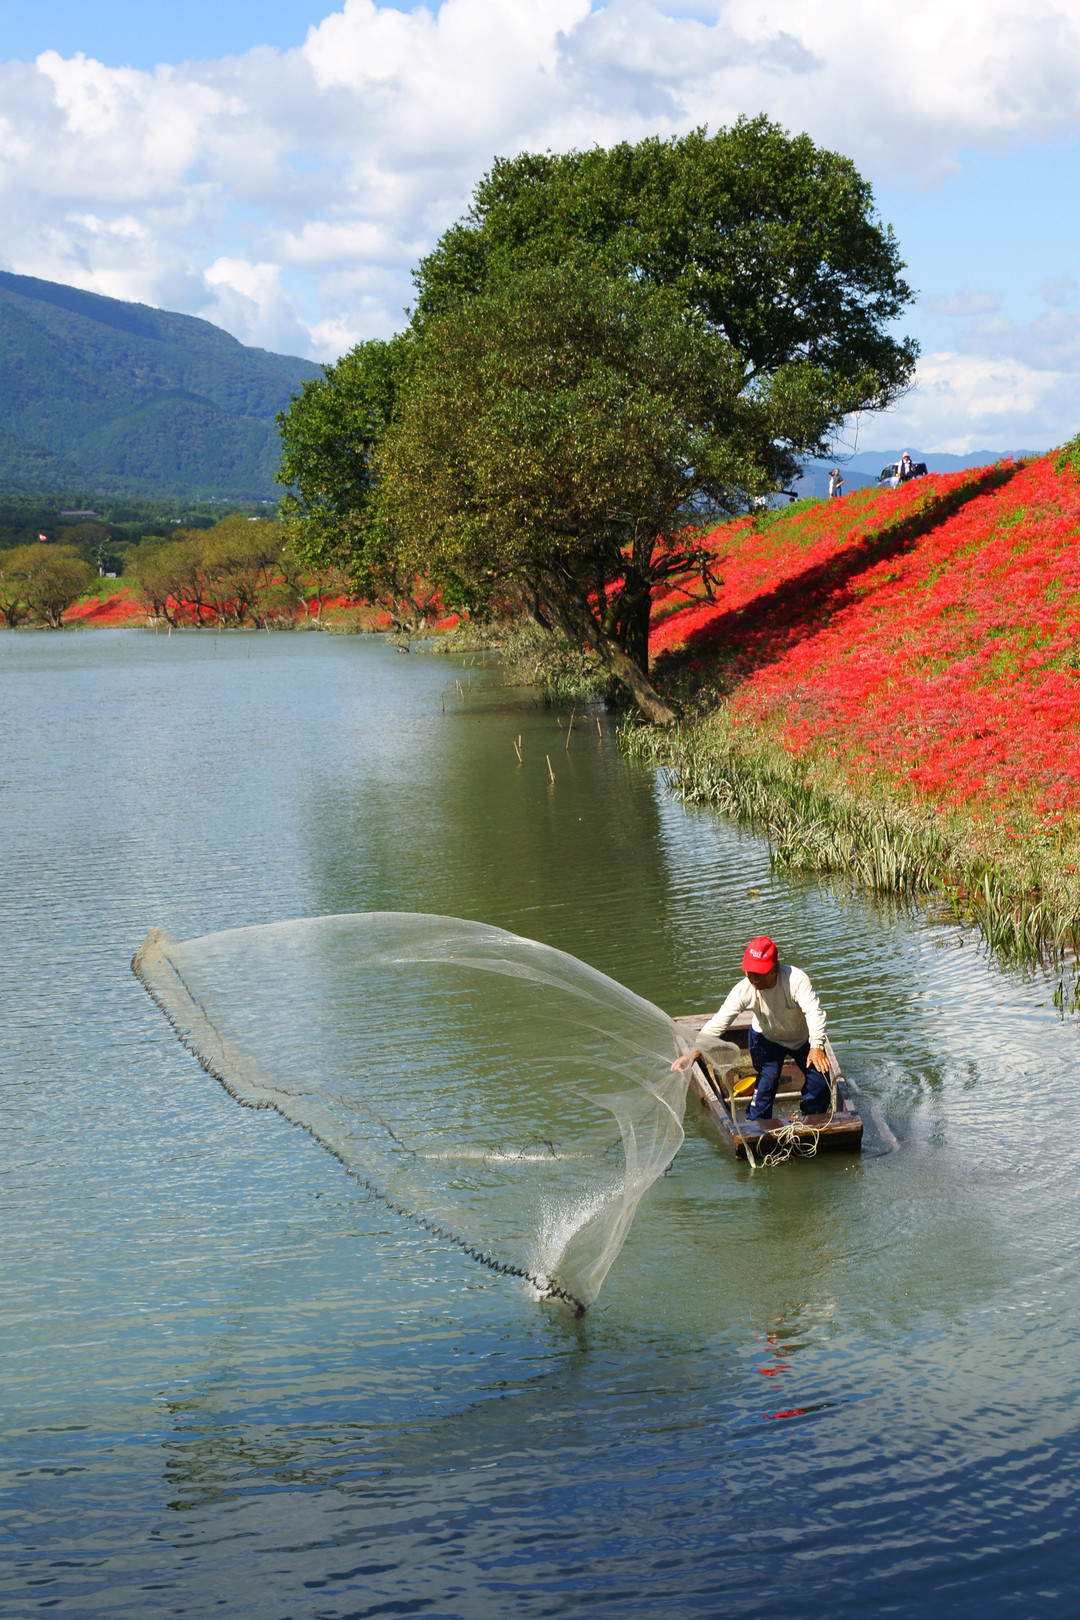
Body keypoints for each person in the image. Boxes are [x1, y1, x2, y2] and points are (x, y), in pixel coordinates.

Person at [672, 935, 832, 1119]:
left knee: (820, 1083)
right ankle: (757, 1122)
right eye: (749, 971)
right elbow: (719, 1022)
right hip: (766, 1039)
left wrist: (817, 1046)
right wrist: (694, 1052)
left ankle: (811, 1116)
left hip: (802, 1040)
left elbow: (814, 1012)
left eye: (759, 972)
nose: (753, 977)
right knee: (768, 1079)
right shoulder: (744, 989)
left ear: (775, 968)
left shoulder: (796, 980)